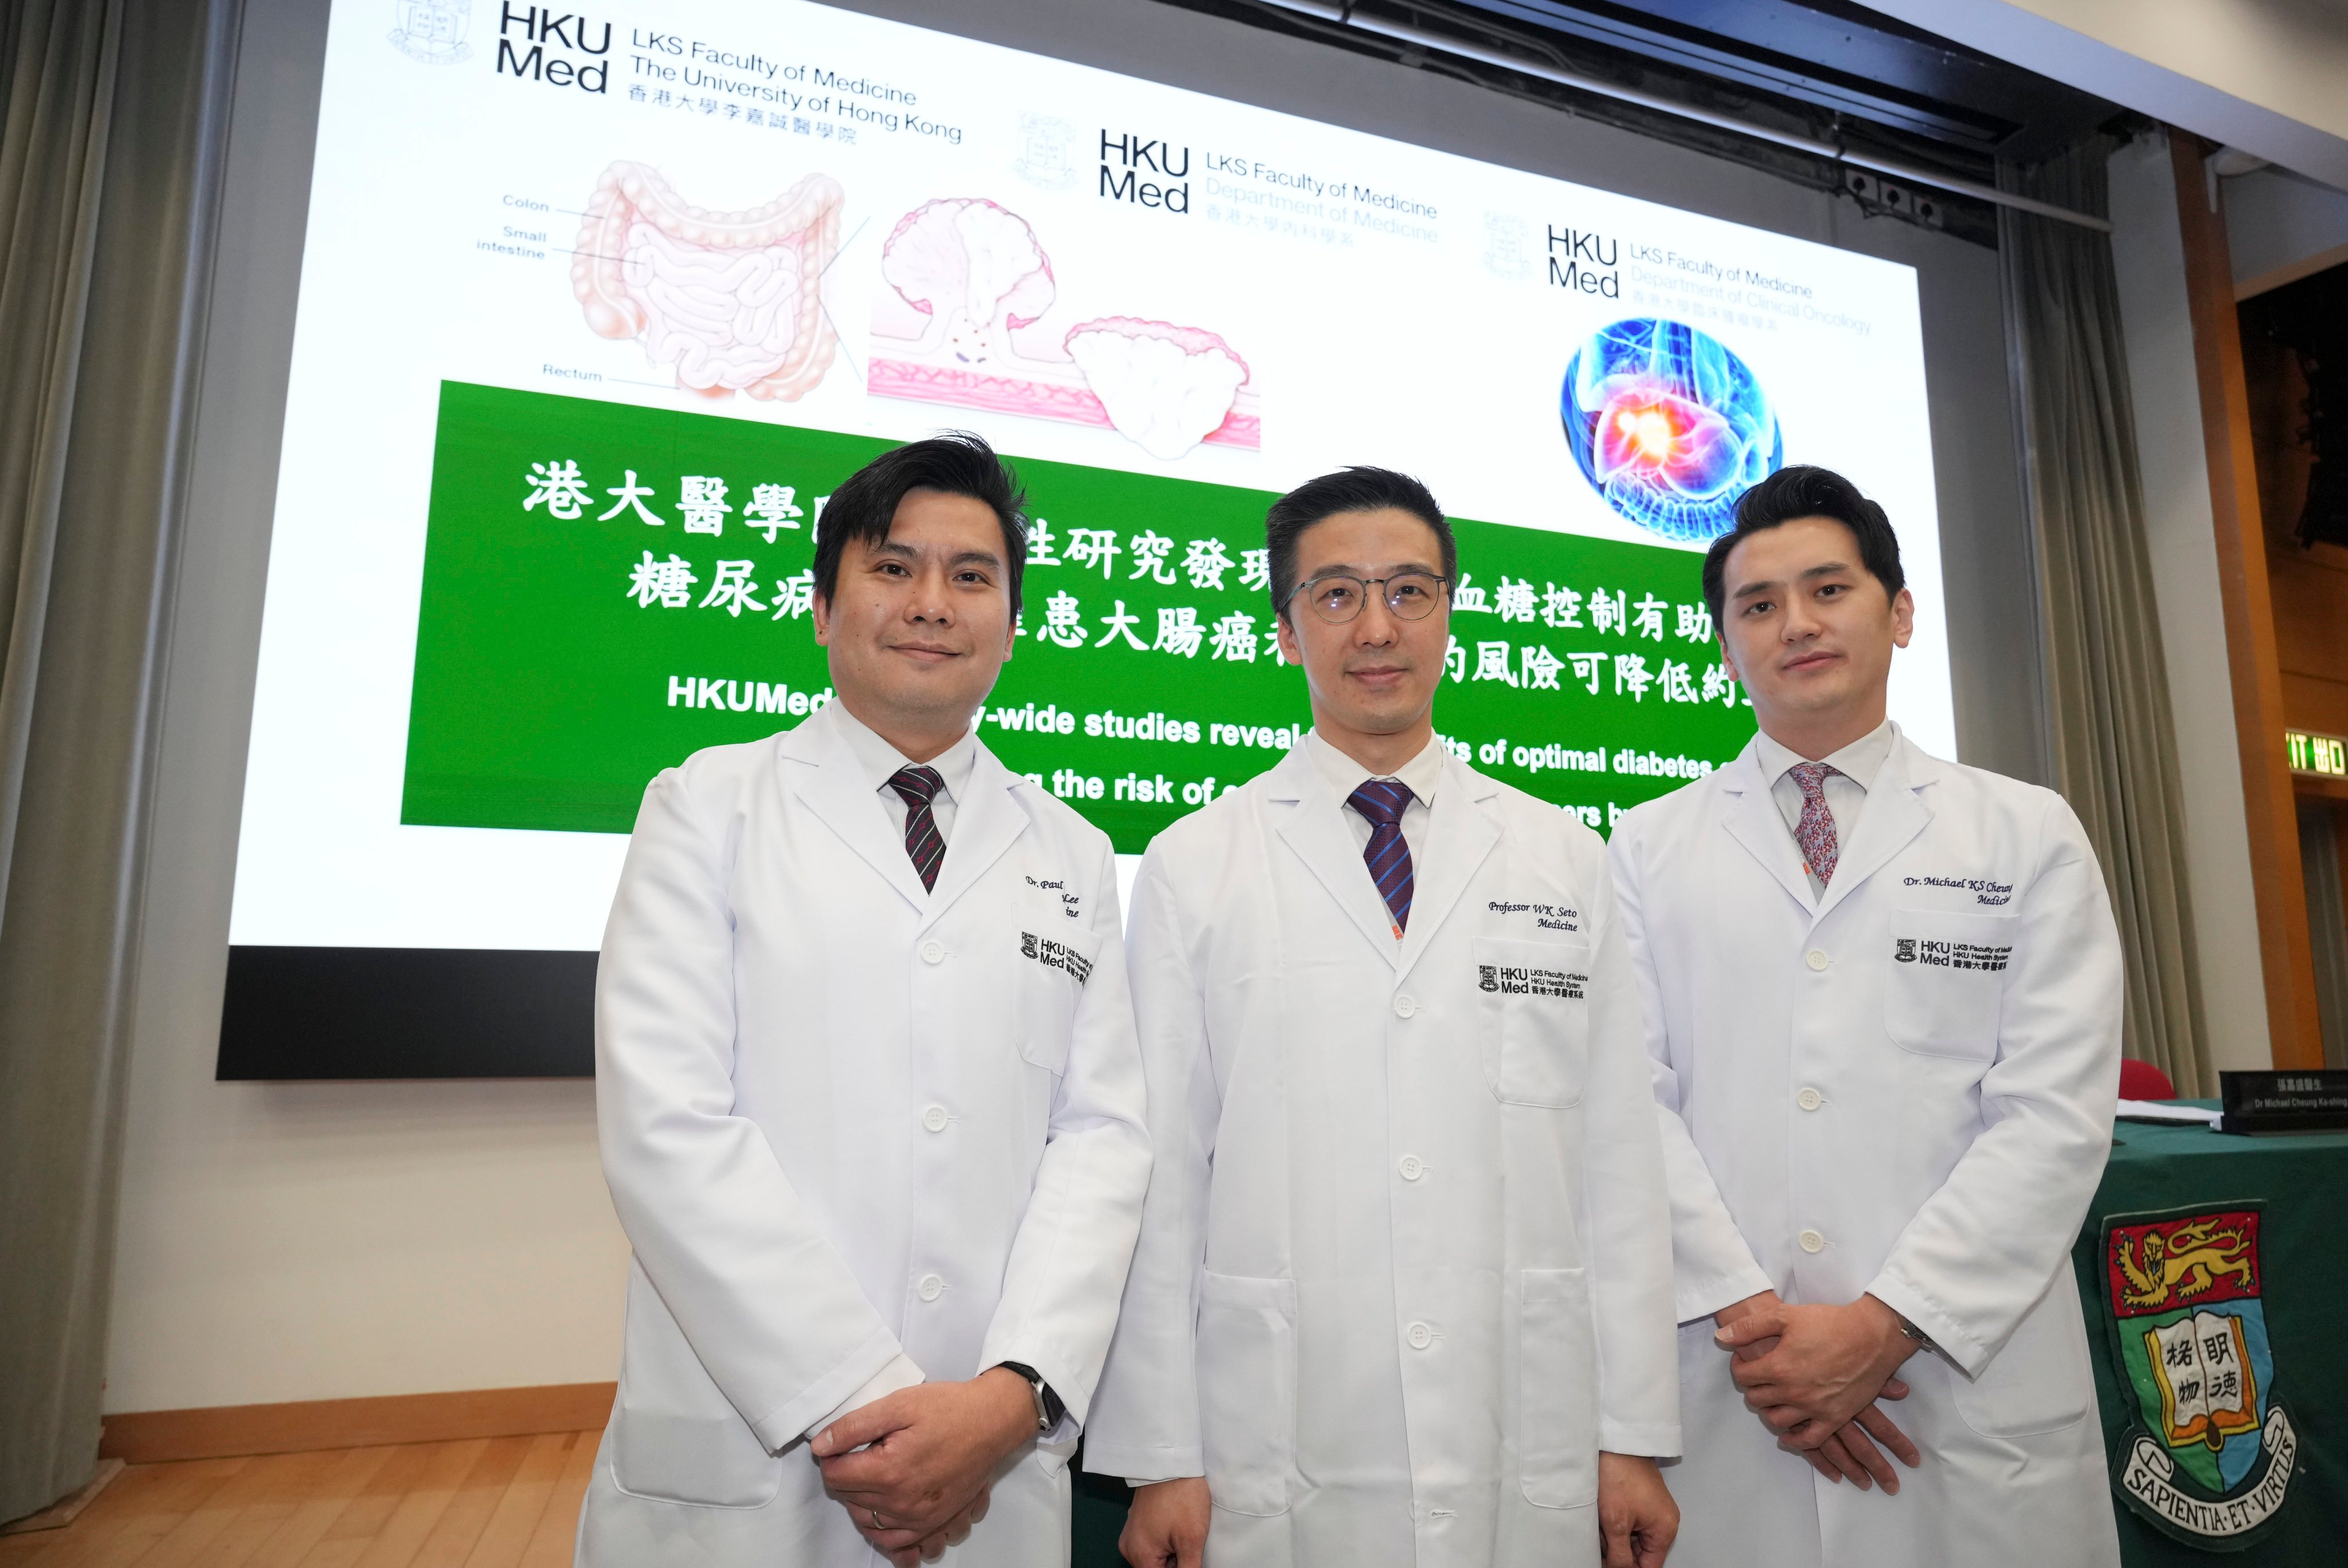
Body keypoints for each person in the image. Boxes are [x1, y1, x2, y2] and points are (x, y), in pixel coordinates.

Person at [1086, 468, 1682, 1568]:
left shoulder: (1564, 857)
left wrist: (1633, 1436)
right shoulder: (1193, 866)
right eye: (1336, 593)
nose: (1376, 626)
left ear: (1452, 615)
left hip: (1524, 1421)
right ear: (1283, 629)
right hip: (1282, 1426)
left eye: (1409, 591)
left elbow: (1619, 1168)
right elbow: (1160, 1181)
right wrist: (1161, 1455)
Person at [578, 433, 1152, 1567]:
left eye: (971, 576)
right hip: (759, 1452)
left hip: (991, 1447)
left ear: (1012, 622)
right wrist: (861, 1398)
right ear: (821, 606)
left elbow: (1100, 1140)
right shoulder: (707, 807)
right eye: (893, 568)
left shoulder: (1074, 853)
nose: (933, 603)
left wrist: (1008, 1395)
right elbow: (667, 1132)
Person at [1608, 465, 2122, 1567]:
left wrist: (1886, 1324)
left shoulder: (2026, 835)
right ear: (1725, 641)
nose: (1795, 624)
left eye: (1828, 590)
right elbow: (1623, 1104)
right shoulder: (1644, 849)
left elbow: (2052, 1118)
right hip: (1737, 1383)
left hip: (1957, 1388)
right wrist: (1763, 1333)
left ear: (1898, 613)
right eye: (1757, 605)